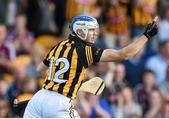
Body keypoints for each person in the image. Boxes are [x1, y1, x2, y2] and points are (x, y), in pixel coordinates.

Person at [23, 15, 158, 118]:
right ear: (80, 31)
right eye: (91, 30)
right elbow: (124, 55)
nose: (95, 33)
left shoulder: (59, 46)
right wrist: (146, 36)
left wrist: (55, 87)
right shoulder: (86, 50)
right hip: (59, 104)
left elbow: (39, 69)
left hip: (38, 98)